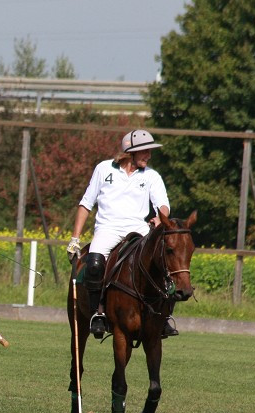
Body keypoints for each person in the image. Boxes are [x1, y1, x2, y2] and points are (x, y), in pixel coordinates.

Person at [66, 129, 179, 339]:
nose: (149, 155)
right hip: (107, 229)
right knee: (95, 264)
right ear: (130, 152)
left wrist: (159, 217)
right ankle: (98, 314)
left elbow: (163, 204)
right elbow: (86, 203)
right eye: (145, 151)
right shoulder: (103, 169)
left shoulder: (152, 177)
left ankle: (162, 318)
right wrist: (75, 238)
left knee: (163, 263)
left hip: (139, 231)